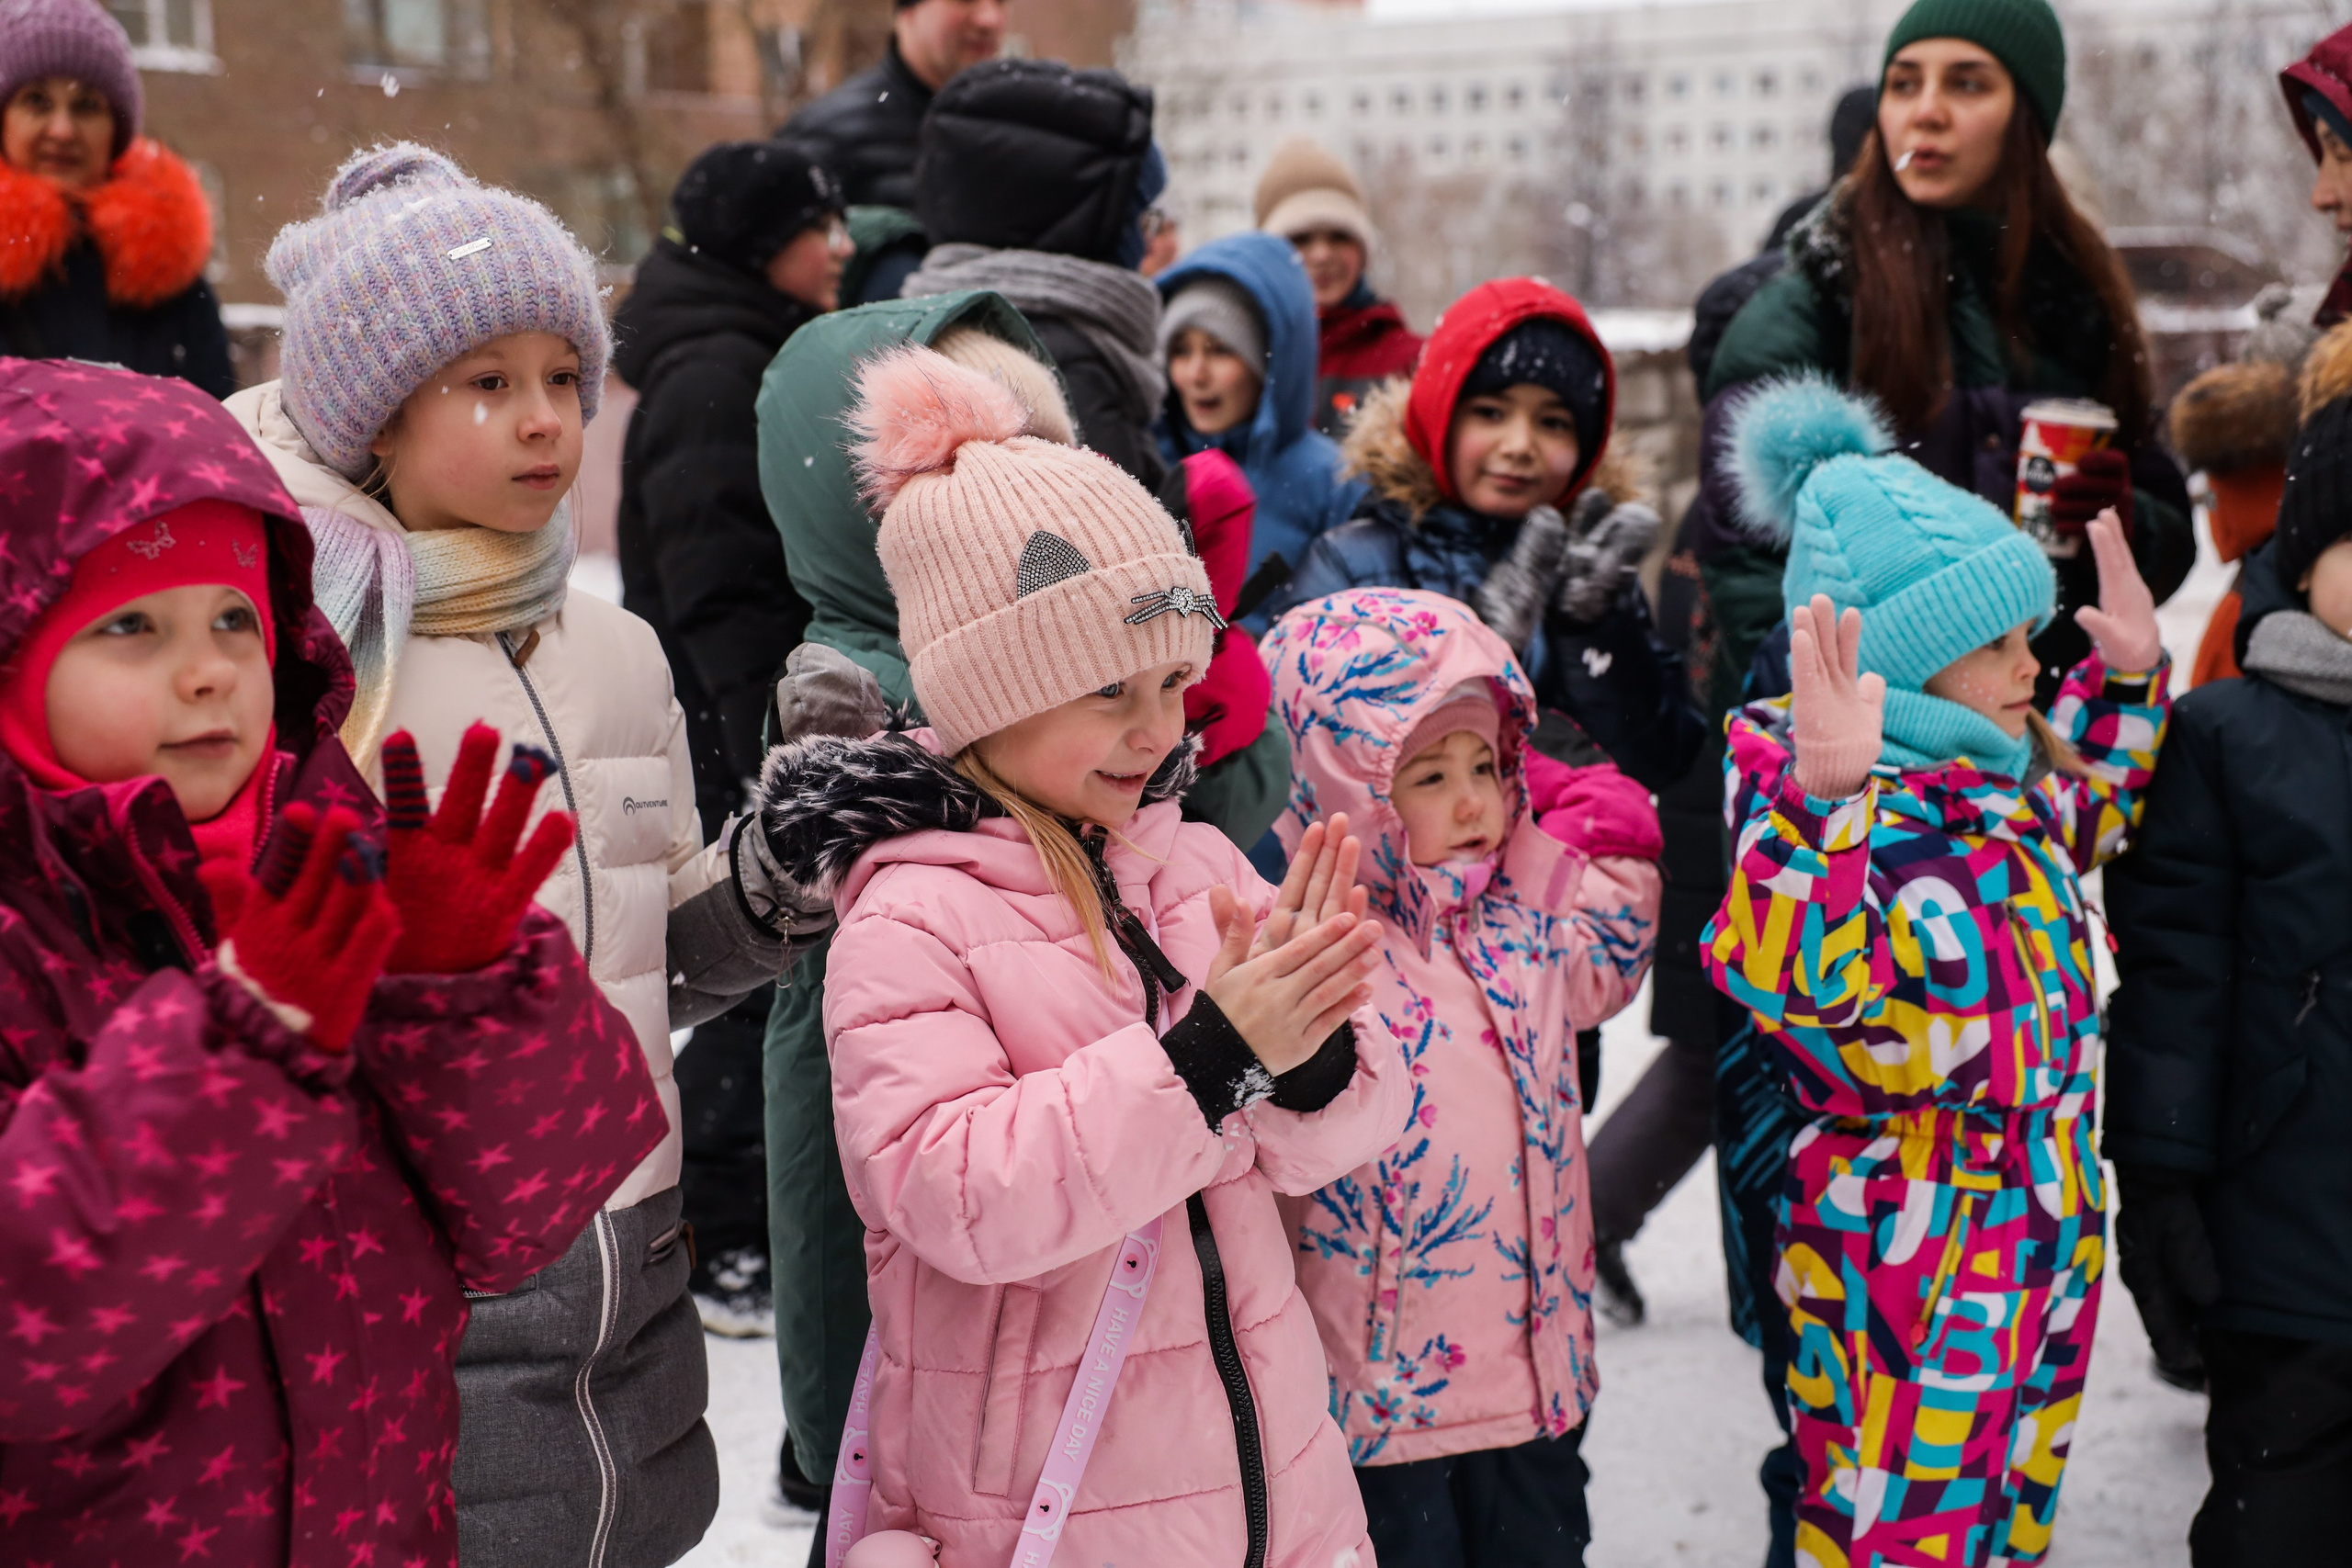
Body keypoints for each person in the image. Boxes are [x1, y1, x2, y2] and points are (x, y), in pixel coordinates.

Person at [230, 143, 837, 1568]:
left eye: (565, 373)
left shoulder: (615, 647)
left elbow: (652, 956)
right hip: (424, 1277)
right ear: (376, 416)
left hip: (632, 1259)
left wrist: (776, 872)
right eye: (486, 381)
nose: (544, 416)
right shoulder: (308, 656)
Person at [0, 355, 666, 1563]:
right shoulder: (24, 941)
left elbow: (529, 1218)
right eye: (130, 626)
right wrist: (248, 1043)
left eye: (234, 618)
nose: (207, 669)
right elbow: (29, 1334)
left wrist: (462, 991)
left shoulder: (321, 860)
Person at [754, 342, 1403, 1564]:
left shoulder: (1194, 862)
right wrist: (1211, 1060)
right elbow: (956, 1196)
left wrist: (1313, 1055)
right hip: (1048, 1512)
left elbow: (1337, 1136)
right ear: (993, 689)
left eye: (1172, 682)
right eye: (1111, 690)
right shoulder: (910, 916)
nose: (1157, 730)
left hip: (1274, 1488)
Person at [1702, 376, 2171, 1568]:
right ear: (1905, 663)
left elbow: (2091, 809)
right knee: (1896, 1533)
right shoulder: (1830, 817)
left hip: (2042, 1228)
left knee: (2010, 1514)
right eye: (1998, 644)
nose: (2033, 665)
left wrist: (2125, 681)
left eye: (2030, 637)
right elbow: (1793, 978)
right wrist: (1824, 810)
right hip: (1904, 1254)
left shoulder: (2001, 793)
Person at [1265, 584, 1662, 1566]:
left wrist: (1589, 824)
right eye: (1431, 775)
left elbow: (1609, 959)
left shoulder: (1523, 914)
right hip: (1377, 1402)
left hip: (1533, 1386)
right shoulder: (1319, 951)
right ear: (1344, 791)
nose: (1476, 800)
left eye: (1486, 765)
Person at [1587, 78, 1877, 1339]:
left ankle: (1607, 1224)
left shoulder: (1724, 464)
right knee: (1733, 1050)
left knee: (1728, 1047)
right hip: (1743, 788)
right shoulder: (1786, 452)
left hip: (1717, 789)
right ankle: (1595, 1224)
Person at [1701, 0, 2194, 709]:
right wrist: (1870, 734)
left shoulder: (2077, 298)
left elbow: (2166, 541)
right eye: (1904, 84)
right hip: (1869, 757)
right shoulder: (1811, 307)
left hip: (2048, 737)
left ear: (2027, 117)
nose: (1925, 113)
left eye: (1966, 84)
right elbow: (1750, 577)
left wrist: (2121, 526)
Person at [2106, 393, 2352, 1566]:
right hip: (2283, 1249)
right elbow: (2174, 980)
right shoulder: (2221, 737)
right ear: (2302, 561)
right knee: (2280, 1525)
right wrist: (2158, 1179)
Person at [611, 137, 851, 1337]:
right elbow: (722, 586)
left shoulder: (745, 347)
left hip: (733, 712)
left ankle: (734, 1216)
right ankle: (722, 1232)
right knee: (749, 965)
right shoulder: (719, 370)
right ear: (763, 242)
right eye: (818, 223)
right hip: (729, 720)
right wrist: (771, 747)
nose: (840, 244)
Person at [1278, 276, 1703, 795]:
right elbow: (1308, 753)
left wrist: (1593, 633)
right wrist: (1482, 657)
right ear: (1440, 415)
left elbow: (1661, 761)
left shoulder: (1593, 569)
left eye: (1553, 422)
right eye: (1491, 413)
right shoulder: (1353, 563)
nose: (1520, 444)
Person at [900, 58, 1170, 488]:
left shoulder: (938, 323)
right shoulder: (1069, 364)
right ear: (1094, 227)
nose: (1151, 242)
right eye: (1143, 219)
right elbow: (1105, 524)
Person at [0, 0, 231, 395]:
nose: (62, 130)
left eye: (86, 106)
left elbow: (218, 420)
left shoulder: (171, 278)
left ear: (117, 130)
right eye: (36, 101)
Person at [1155, 229, 1364, 628]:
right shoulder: (1154, 461)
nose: (1195, 374)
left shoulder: (1335, 481)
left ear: (1269, 364)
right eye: (1180, 351)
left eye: (1220, 350)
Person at [1254, 136, 1423, 438]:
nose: (1322, 254)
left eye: (1339, 236)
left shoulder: (1411, 361)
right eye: (1301, 239)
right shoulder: (1240, 358)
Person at [775, 0, 1003, 210]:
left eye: (1001, 1)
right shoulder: (827, 135)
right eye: (965, 0)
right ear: (908, 10)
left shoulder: (1008, 124)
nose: (989, 19)